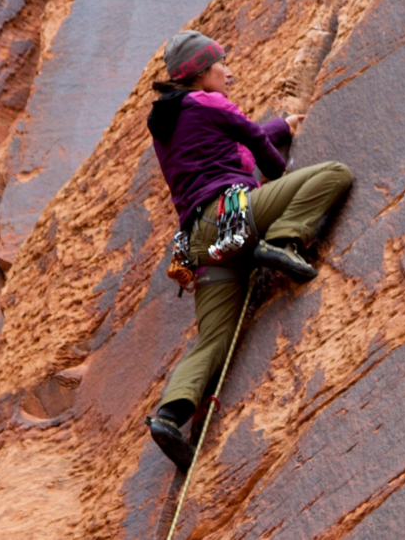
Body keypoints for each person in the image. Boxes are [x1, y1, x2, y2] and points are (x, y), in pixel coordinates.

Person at [145, 30, 352, 471]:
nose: (230, 72)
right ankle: (283, 242)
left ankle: (169, 417)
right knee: (333, 173)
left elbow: (234, 142)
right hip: (232, 214)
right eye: (222, 64)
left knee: (213, 340)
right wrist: (282, 173)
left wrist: (280, 127)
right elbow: (256, 147)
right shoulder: (210, 102)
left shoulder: (167, 124)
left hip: (197, 245)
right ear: (201, 71)